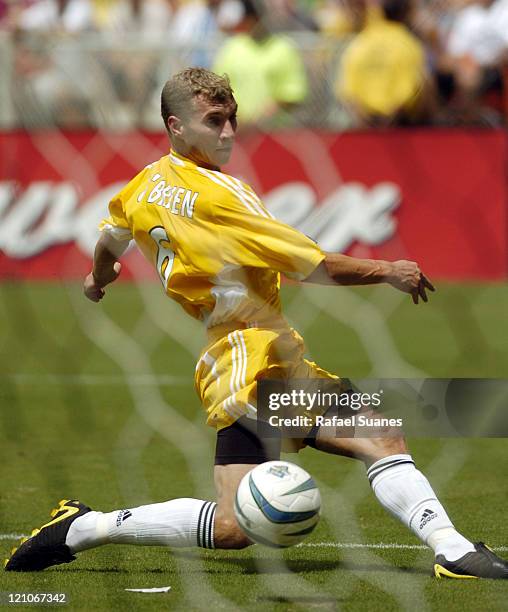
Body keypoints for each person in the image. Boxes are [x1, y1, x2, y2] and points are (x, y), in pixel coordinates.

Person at [5, 67, 507, 579]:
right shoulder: (225, 196)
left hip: (246, 357)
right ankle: (452, 549)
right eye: (214, 120)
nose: (227, 133)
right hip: (251, 357)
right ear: (176, 126)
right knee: (368, 442)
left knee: (237, 525)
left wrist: (97, 278)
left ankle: (80, 529)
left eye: (232, 120)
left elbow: (112, 233)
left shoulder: (142, 186)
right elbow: (313, 266)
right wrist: (389, 270)